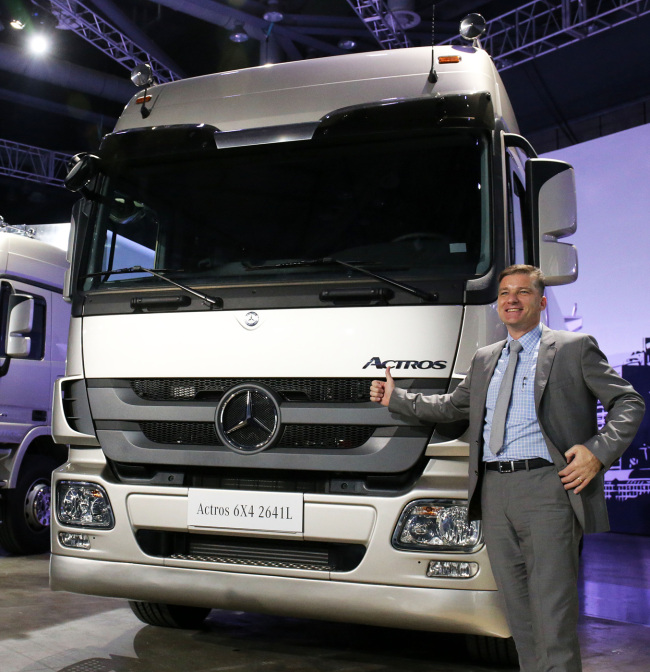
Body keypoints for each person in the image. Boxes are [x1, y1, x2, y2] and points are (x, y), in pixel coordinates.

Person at [370, 264, 645, 672]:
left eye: (522, 292)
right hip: (494, 492)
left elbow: (629, 402)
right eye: (504, 293)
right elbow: (451, 408)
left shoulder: (574, 347)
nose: (511, 300)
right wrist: (398, 398)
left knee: (552, 611)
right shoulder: (485, 359)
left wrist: (597, 452)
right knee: (518, 613)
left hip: (548, 489)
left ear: (541, 301)